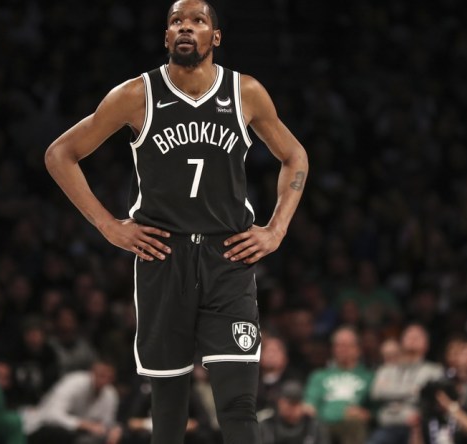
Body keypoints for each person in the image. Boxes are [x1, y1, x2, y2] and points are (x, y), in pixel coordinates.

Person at [43, 0, 308, 442]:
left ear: (215, 37)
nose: (185, 27)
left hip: (228, 256)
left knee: (239, 405)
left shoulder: (245, 92)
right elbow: (60, 154)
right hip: (163, 255)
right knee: (167, 409)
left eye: (197, 21)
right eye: (175, 21)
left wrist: (277, 228)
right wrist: (109, 225)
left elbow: (294, 154)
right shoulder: (136, 94)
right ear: (166, 37)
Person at [368, 324, 443, 444]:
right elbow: (376, 393)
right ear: (401, 342)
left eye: (417, 337)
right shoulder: (386, 370)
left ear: (426, 345)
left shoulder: (434, 371)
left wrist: (391, 390)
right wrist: (413, 390)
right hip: (387, 425)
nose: (412, 339)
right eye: (409, 336)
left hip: (417, 426)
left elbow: (429, 398)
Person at [22, 360, 121, 444]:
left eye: (109, 377)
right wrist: (84, 424)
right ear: (92, 372)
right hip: (43, 427)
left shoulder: (110, 394)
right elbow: (52, 415)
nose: (104, 380)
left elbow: (106, 423)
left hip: (82, 434)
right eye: (101, 375)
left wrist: (113, 430)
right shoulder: (73, 382)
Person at [304, 326, 373, 444]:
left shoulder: (368, 377)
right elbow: (310, 403)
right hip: (323, 423)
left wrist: (368, 414)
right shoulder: (319, 376)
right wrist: (309, 410)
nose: (341, 349)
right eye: (338, 345)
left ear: (358, 349)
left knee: (353, 423)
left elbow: (375, 408)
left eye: (346, 345)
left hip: (351, 424)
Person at [260, 380, 329, 444]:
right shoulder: (267, 425)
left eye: (296, 404)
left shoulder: (313, 427)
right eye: (290, 403)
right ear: (279, 403)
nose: (293, 409)